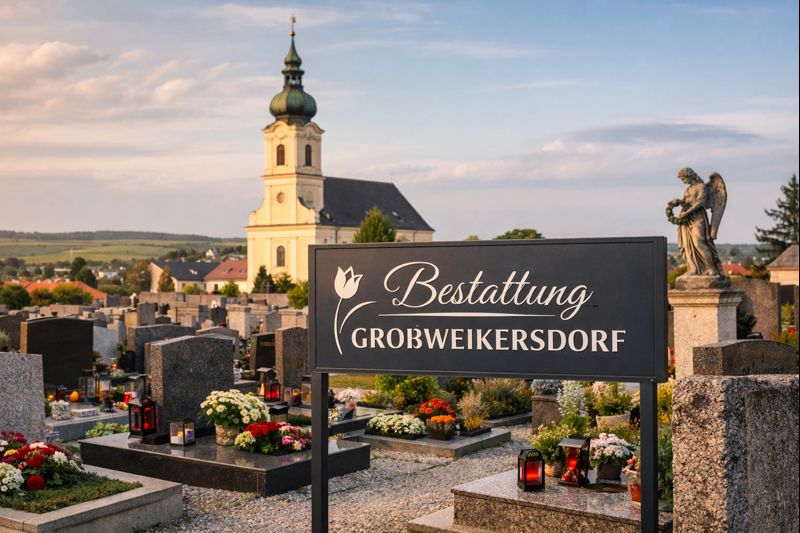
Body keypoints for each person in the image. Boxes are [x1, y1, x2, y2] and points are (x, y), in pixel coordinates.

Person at [676, 168, 722, 276]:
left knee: (698, 243)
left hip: (698, 218)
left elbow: (700, 203)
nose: (683, 181)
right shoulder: (688, 189)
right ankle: (693, 268)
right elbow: (685, 202)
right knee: (687, 245)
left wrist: (687, 212)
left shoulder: (701, 186)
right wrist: (677, 202)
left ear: (689, 176)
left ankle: (711, 268)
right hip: (686, 221)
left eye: (683, 179)